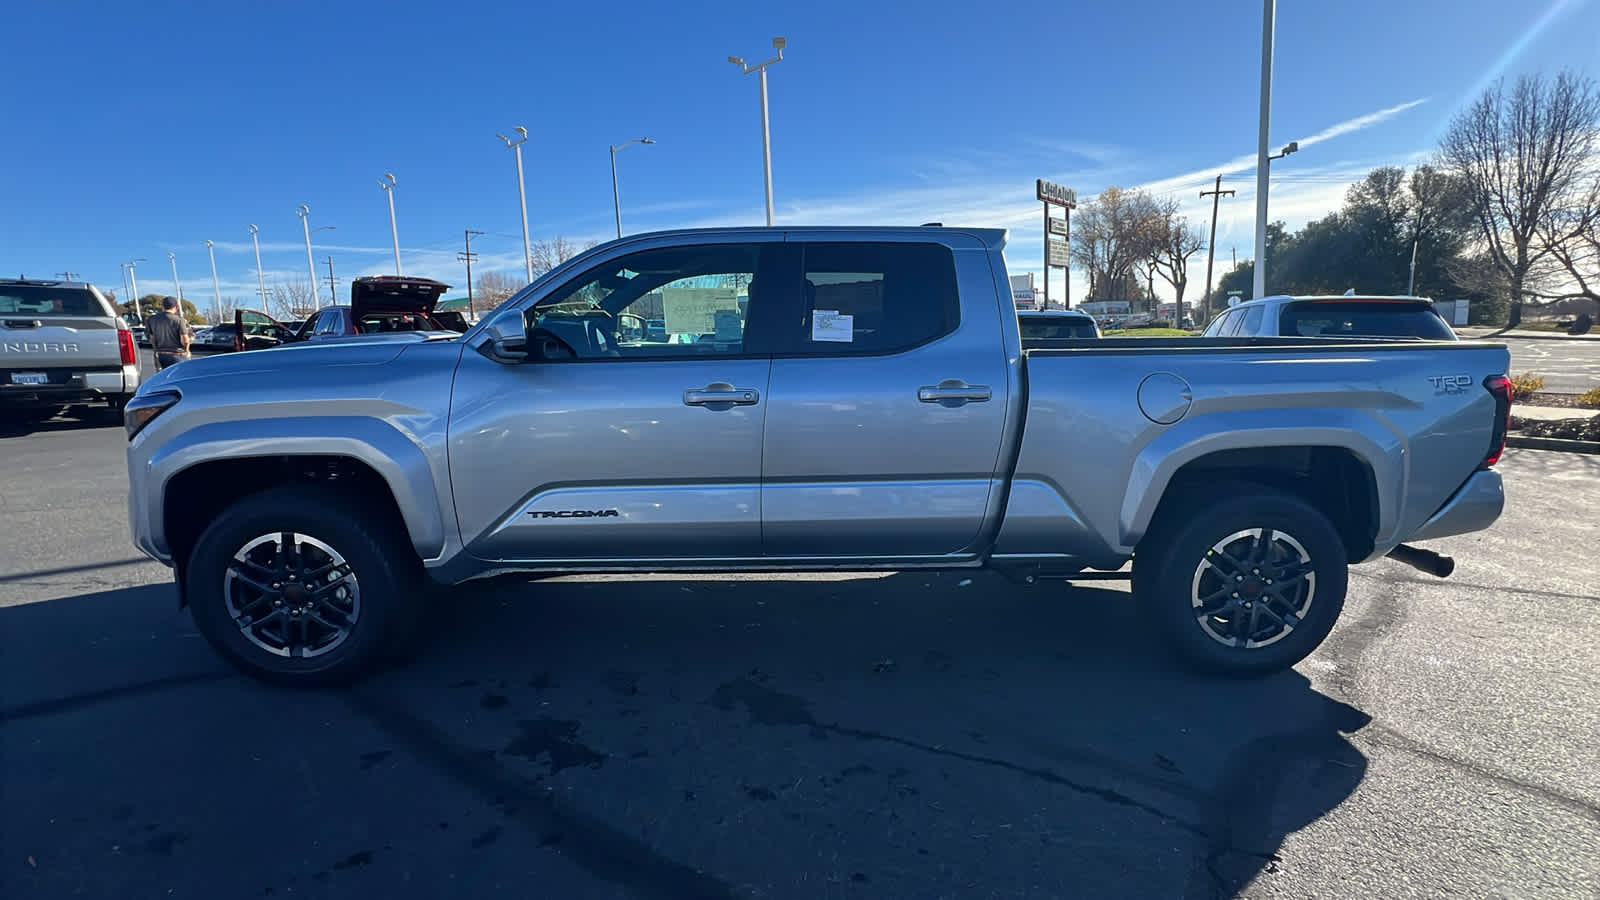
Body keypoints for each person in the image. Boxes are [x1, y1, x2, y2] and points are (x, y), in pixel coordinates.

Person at [146, 296, 192, 370]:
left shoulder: (152, 319)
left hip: (161, 355)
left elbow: (152, 339)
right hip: (178, 355)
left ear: (163, 307)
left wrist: (155, 351)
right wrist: (187, 351)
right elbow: (185, 340)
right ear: (176, 307)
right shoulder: (179, 320)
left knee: (163, 378)